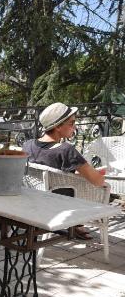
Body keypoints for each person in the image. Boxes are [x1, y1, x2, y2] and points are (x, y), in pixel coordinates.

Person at [22, 102, 106, 240]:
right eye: (71, 123)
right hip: (59, 204)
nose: (75, 127)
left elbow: (55, 172)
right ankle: (77, 224)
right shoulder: (66, 150)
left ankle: (76, 226)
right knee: (100, 185)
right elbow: (97, 181)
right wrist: (101, 176)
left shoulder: (28, 145)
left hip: (33, 199)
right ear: (58, 126)